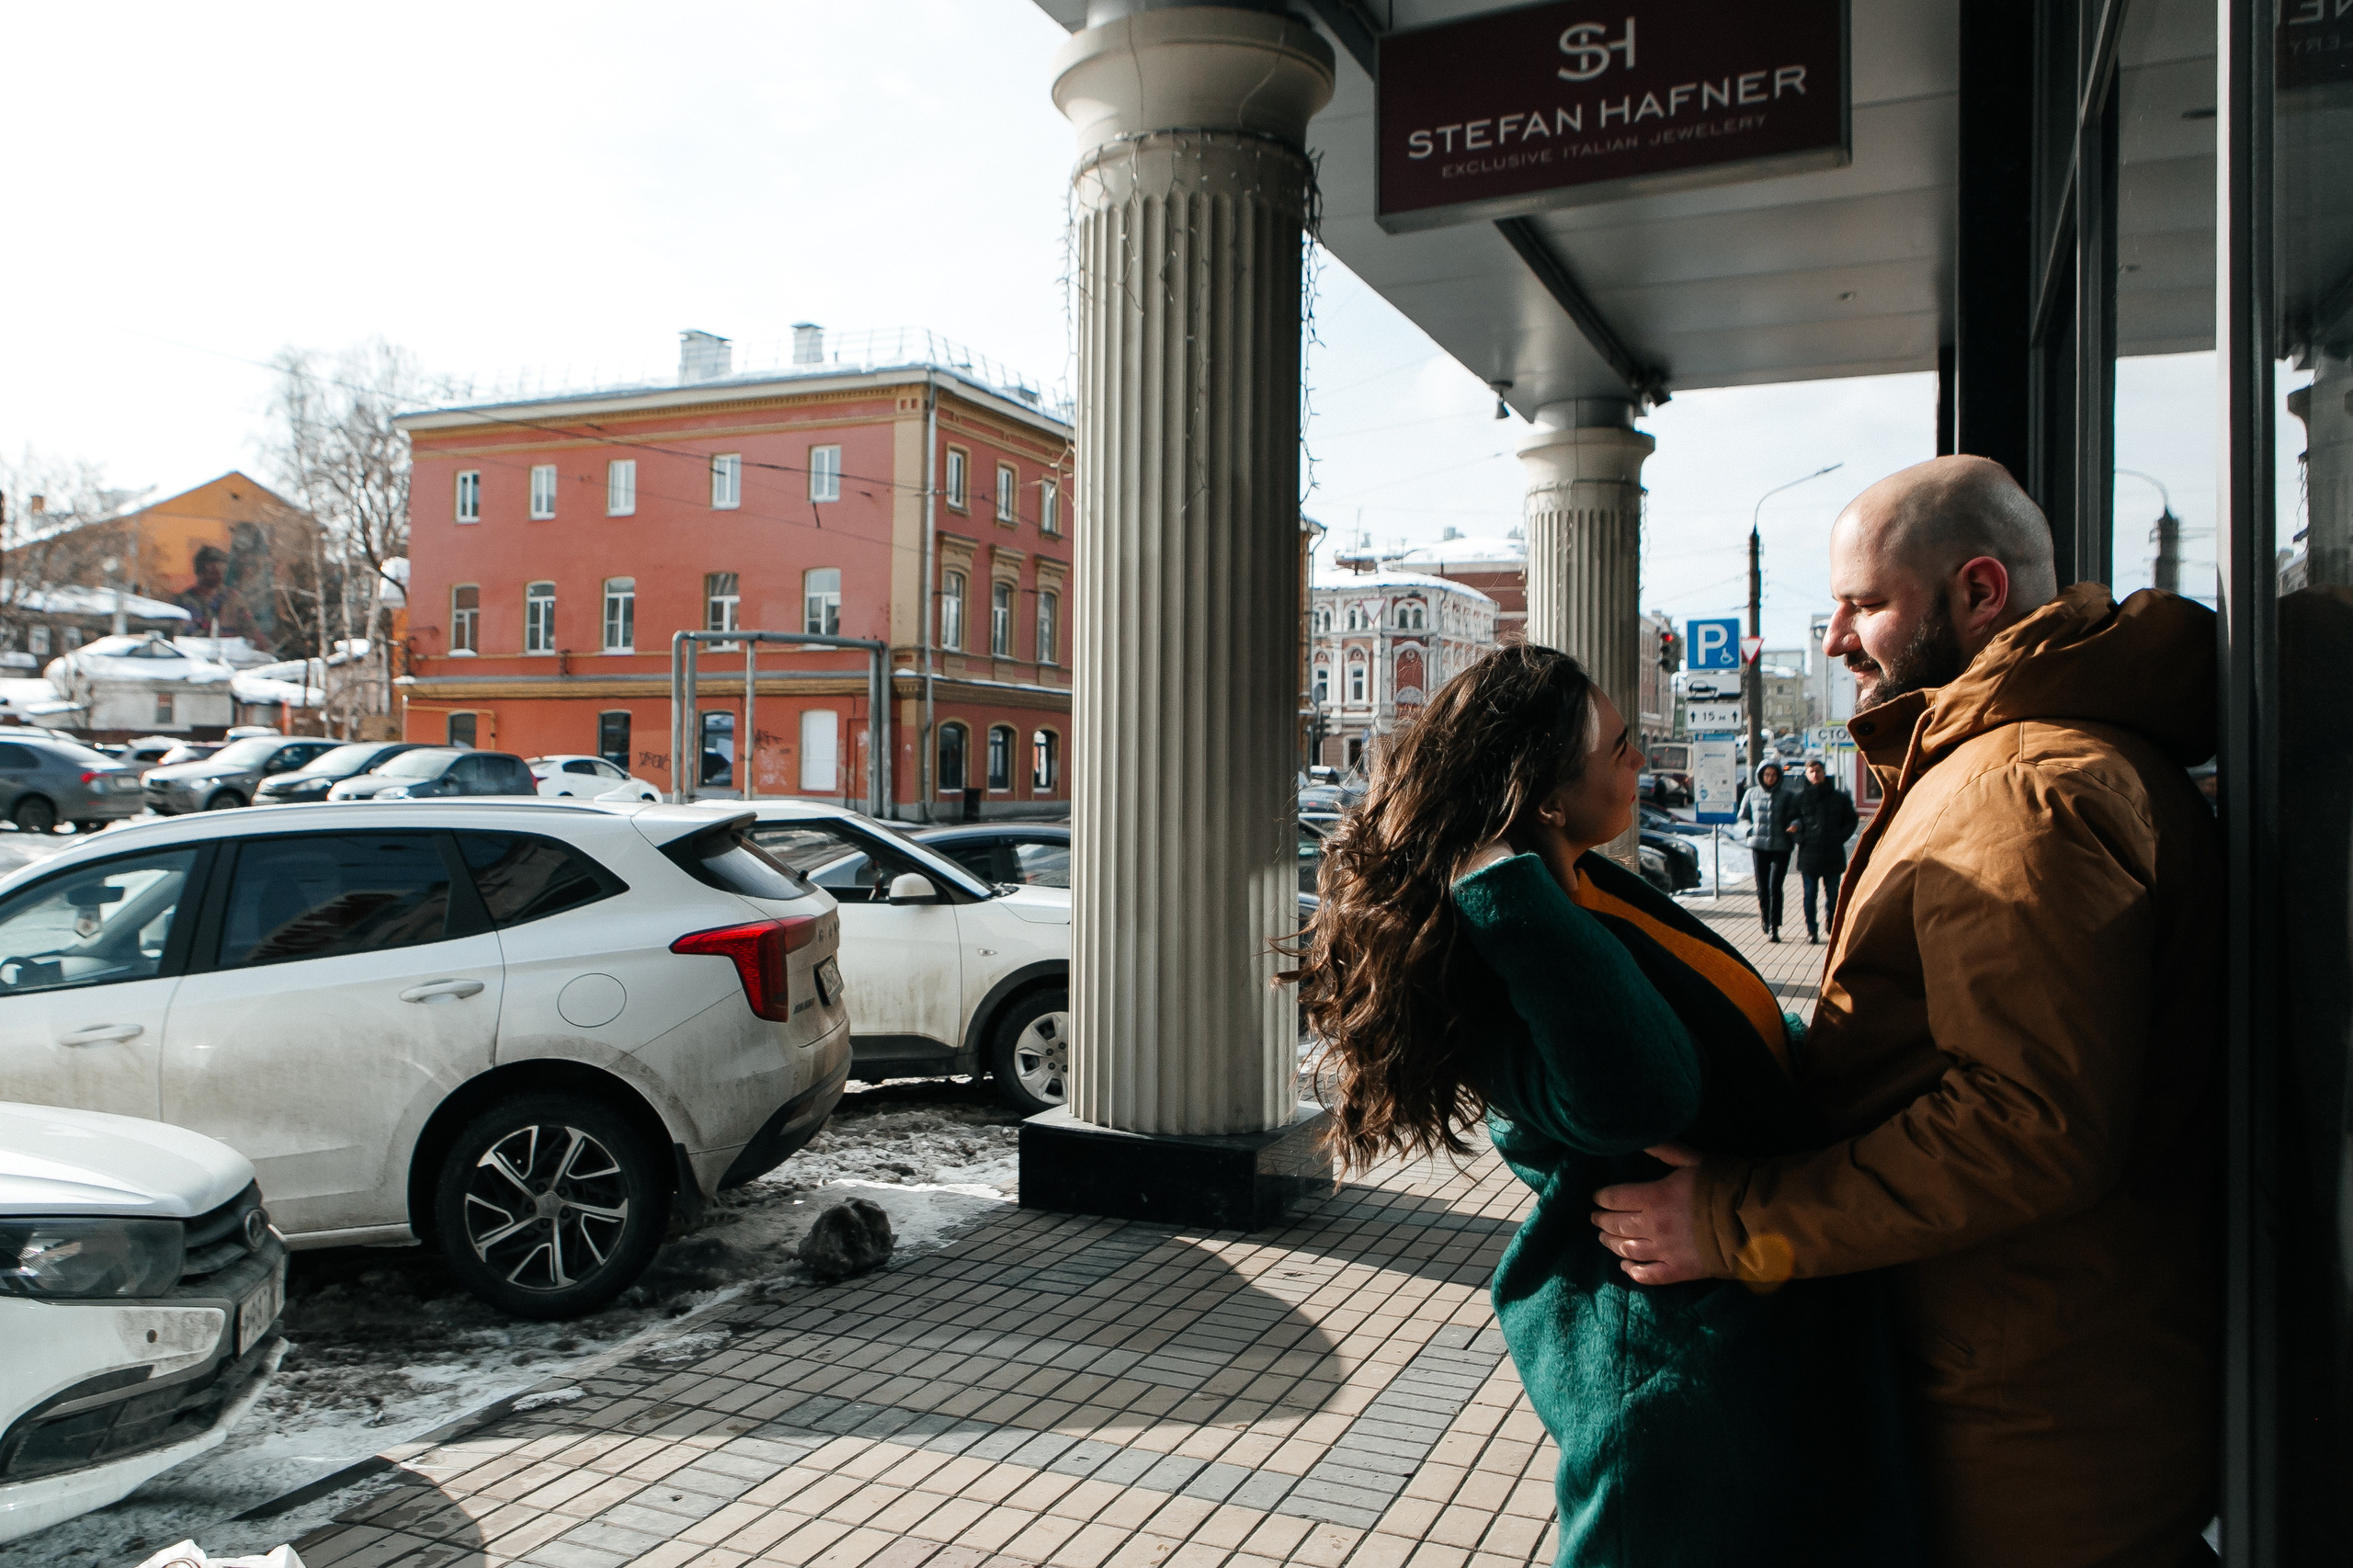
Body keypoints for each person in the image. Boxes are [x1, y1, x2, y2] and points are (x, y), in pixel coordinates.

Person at [1588, 456, 2223, 1568]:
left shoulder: (2017, 794)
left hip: (2020, 1425)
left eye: (1864, 603)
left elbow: (2026, 1122)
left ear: (1978, 591)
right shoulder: (2010, 762)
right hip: (2034, 1372)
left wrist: (1728, 1217)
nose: (1837, 636)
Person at [1293, 645, 1920, 1568]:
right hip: (1670, 1378)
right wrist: (1497, 879)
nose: (1639, 761)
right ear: (1547, 795)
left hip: (1745, 1342)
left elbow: (1727, 1027)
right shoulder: (1513, 946)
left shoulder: (1590, 889)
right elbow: (1641, 1094)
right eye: (1619, 746)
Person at [1790, 757, 1857, 944]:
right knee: (1810, 895)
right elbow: (1790, 821)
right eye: (1811, 771)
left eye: (1818, 771)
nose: (1815, 774)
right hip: (1808, 854)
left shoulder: (1839, 798)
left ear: (1824, 773)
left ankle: (1832, 922)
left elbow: (1851, 820)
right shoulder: (1799, 799)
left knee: (1833, 895)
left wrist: (1839, 836)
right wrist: (1800, 838)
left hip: (1832, 854)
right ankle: (1811, 930)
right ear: (1806, 774)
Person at [1733, 759, 1800, 940]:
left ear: (1779, 776)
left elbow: (1796, 816)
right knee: (1762, 888)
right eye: (1767, 775)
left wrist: (1795, 825)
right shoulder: (1751, 793)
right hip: (1759, 846)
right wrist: (1749, 829)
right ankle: (1765, 918)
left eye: (1773, 775)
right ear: (1761, 776)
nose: (1770, 778)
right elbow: (1742, 817)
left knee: (1775, 886)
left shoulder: (1787, 796)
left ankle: (1774, 926)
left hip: (1781, 846)